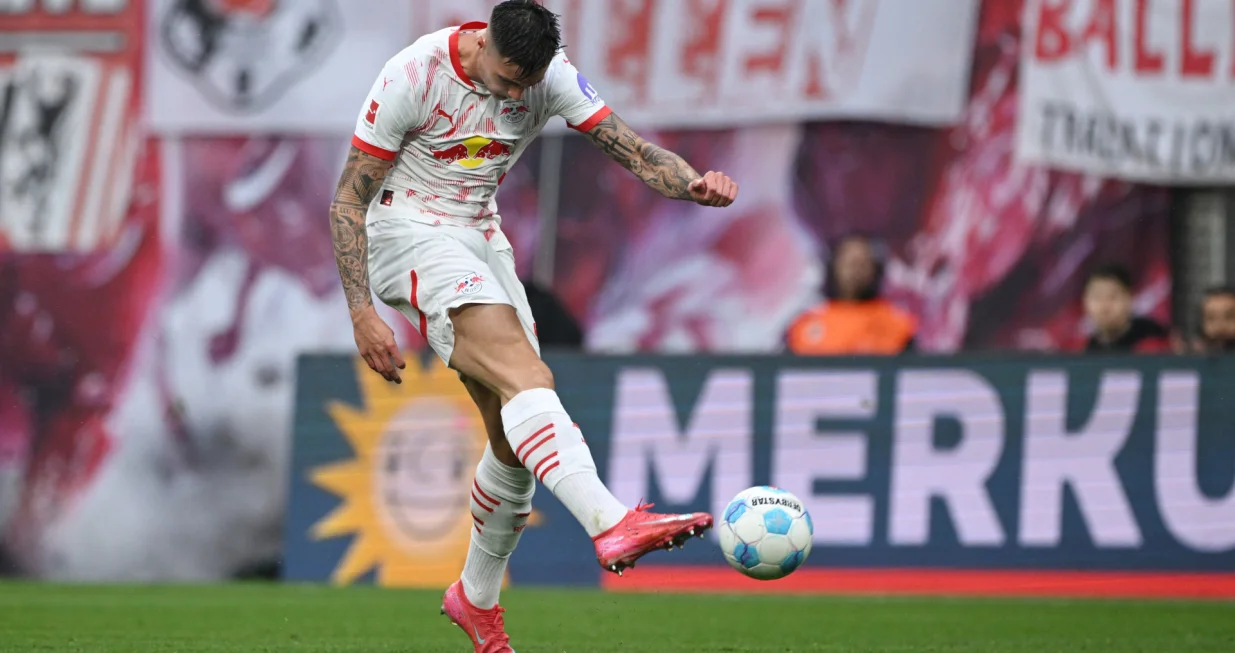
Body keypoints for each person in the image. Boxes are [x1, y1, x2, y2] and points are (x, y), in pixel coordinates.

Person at [328, 2, 738, 651]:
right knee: (526, 376)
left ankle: (475, 599)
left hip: (479, 239)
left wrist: (693, 185)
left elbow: (632, 150)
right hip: (406, 232)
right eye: (509, 78)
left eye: (530, 83)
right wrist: (360, 312)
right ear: (484, 43)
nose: (518, 95)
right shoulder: (414, 74)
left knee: (511, 432)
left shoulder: (550, 77)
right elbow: (348, 199)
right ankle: (609, 521)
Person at [784, 234, 917, 355]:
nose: (855, 271)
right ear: (834, 267)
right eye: (849, 263)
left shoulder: (897, 325)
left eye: (862, 263)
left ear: (875, 269)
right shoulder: (805, 324)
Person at [1081, 265, 1170, 353]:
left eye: (1112, 297)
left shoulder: (1155, 339)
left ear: (1130, 298)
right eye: (1097, 297)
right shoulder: (1085, 351)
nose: (1104, 306)